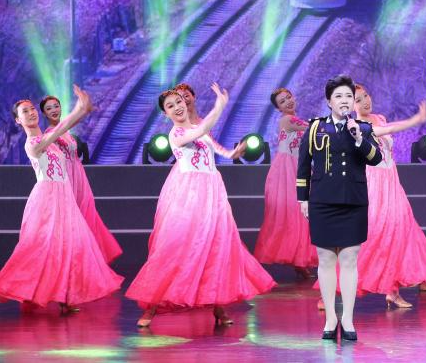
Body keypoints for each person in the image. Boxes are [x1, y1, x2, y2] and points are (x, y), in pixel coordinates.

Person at [127, 84, 271, 328]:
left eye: (179, 102)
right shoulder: (175, 134)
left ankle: (218, 306)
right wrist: (220, 106)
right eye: (170, 106)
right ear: (165, 113)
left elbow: (217, 148)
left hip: (213, 192)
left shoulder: (198, 128)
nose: (177, 107)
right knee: (176, 248)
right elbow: (204, 129)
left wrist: (233, 154)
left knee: (216, 248)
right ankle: (152, 306)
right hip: (190, 194)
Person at [0, 87, 123, 314]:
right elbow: (59, 130)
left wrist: (83, 110)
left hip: (64, 197)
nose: (31, 113)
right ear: (18, 121)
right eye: (24, 112)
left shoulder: (49, 141)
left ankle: (65, 297)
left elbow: (62, 131)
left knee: (70, 247)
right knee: (33, 252)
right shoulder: (32, 144)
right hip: (46, 201)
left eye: (31, 109)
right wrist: (79, 109)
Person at [297, 75, 384, 342]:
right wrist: (303, 199)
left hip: (353, 201)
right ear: (329, 102)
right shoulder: (315, 128)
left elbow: (376, 159)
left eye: (348, 96)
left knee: (349, 260)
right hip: (322, 201)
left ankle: (347, 318)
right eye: (339, 96)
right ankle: (330, 318)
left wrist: (358, 138)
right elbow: (303, 165)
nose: (344, 100)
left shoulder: (363, 128)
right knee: (325, 259)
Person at [354, 85, 426, 307]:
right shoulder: (355, 125)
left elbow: (387, 133)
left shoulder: (379, 117)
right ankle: (336, 287)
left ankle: (392, 290)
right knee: (373, 237)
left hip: (392, 181)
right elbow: (387, 130)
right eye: (359, 100)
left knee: (399, 233)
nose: (366, 101)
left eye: (366, 96)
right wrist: (415, 120)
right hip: (373, 184)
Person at [40, 95, 122, 263]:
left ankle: (89, 259)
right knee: (71, 218)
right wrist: (81, 109)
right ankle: (73, 259)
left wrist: (84, 110)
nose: (54, 110)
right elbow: (67, 124)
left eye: (56, 106)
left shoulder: (66, 131)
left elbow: (70, 123)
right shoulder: (50, 133)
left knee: (86, 214)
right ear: (44, 114)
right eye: (49, 108)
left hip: (78, 176)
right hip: (66, 178)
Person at [254, 88, 317, 276]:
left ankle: (300, 260)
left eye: (288, 97)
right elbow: (312, 128)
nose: (288, 102)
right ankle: (297, 260)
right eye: (282, 101)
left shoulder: (293, 119)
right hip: (287, 170)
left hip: (297, 166)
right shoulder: (287, 120)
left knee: (300, 214)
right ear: (278, 108)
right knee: (295, 213)